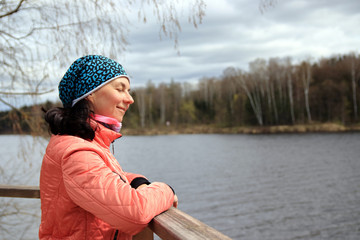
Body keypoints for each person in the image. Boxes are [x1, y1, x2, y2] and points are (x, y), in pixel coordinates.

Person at [39, 55, 178, 240]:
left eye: (129, 91)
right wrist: (167, 190)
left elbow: (98, 177)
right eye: (120, 89)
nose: (130, 99)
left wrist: (136, 181)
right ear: (90, 94)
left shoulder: (78, 142)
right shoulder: (76, 152)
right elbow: (135, 213)